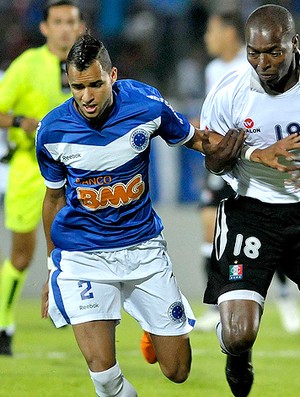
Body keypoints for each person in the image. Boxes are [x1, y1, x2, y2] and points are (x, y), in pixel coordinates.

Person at [35, 32, 285, 397]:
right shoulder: (53, 131)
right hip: (82, 256)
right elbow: (53, 199)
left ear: (112, 75)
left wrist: (252, 154)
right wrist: (50, 265)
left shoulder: (145, 104)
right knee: (104, 376)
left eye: (95, 84)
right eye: (77, 87)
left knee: (178, 371)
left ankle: (152, 331)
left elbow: (196, 138)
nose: (86, 96)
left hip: (143, 250)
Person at [200, 4, 300, 396]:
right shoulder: (231, 89)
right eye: (254, 53)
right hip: (253, 211)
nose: (263, 62)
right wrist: (245, 153)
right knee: (239, 333)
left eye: (273, 52)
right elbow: (211, 159)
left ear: (295, 43)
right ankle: (237, 355)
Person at [0, 0, 84, 356]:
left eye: (71, 22)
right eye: (58, 22)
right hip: (28, 170)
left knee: (84, 248)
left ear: (80, 27)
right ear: (45, 28)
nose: (65, 28)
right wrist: (20, 122)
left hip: (75, 172)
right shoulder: (27, 65)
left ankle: (90, 317)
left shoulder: (87, 65)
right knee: (21, 255)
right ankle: (3, 326)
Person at [195, 10, 248, 332]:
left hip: (248, 160)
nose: (206, 37)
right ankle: (215, 305)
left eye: (211, 30)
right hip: (220, 159)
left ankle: (281, 295)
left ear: (228, 33)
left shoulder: (250, 65)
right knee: (208, 224)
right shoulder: (213, 69)